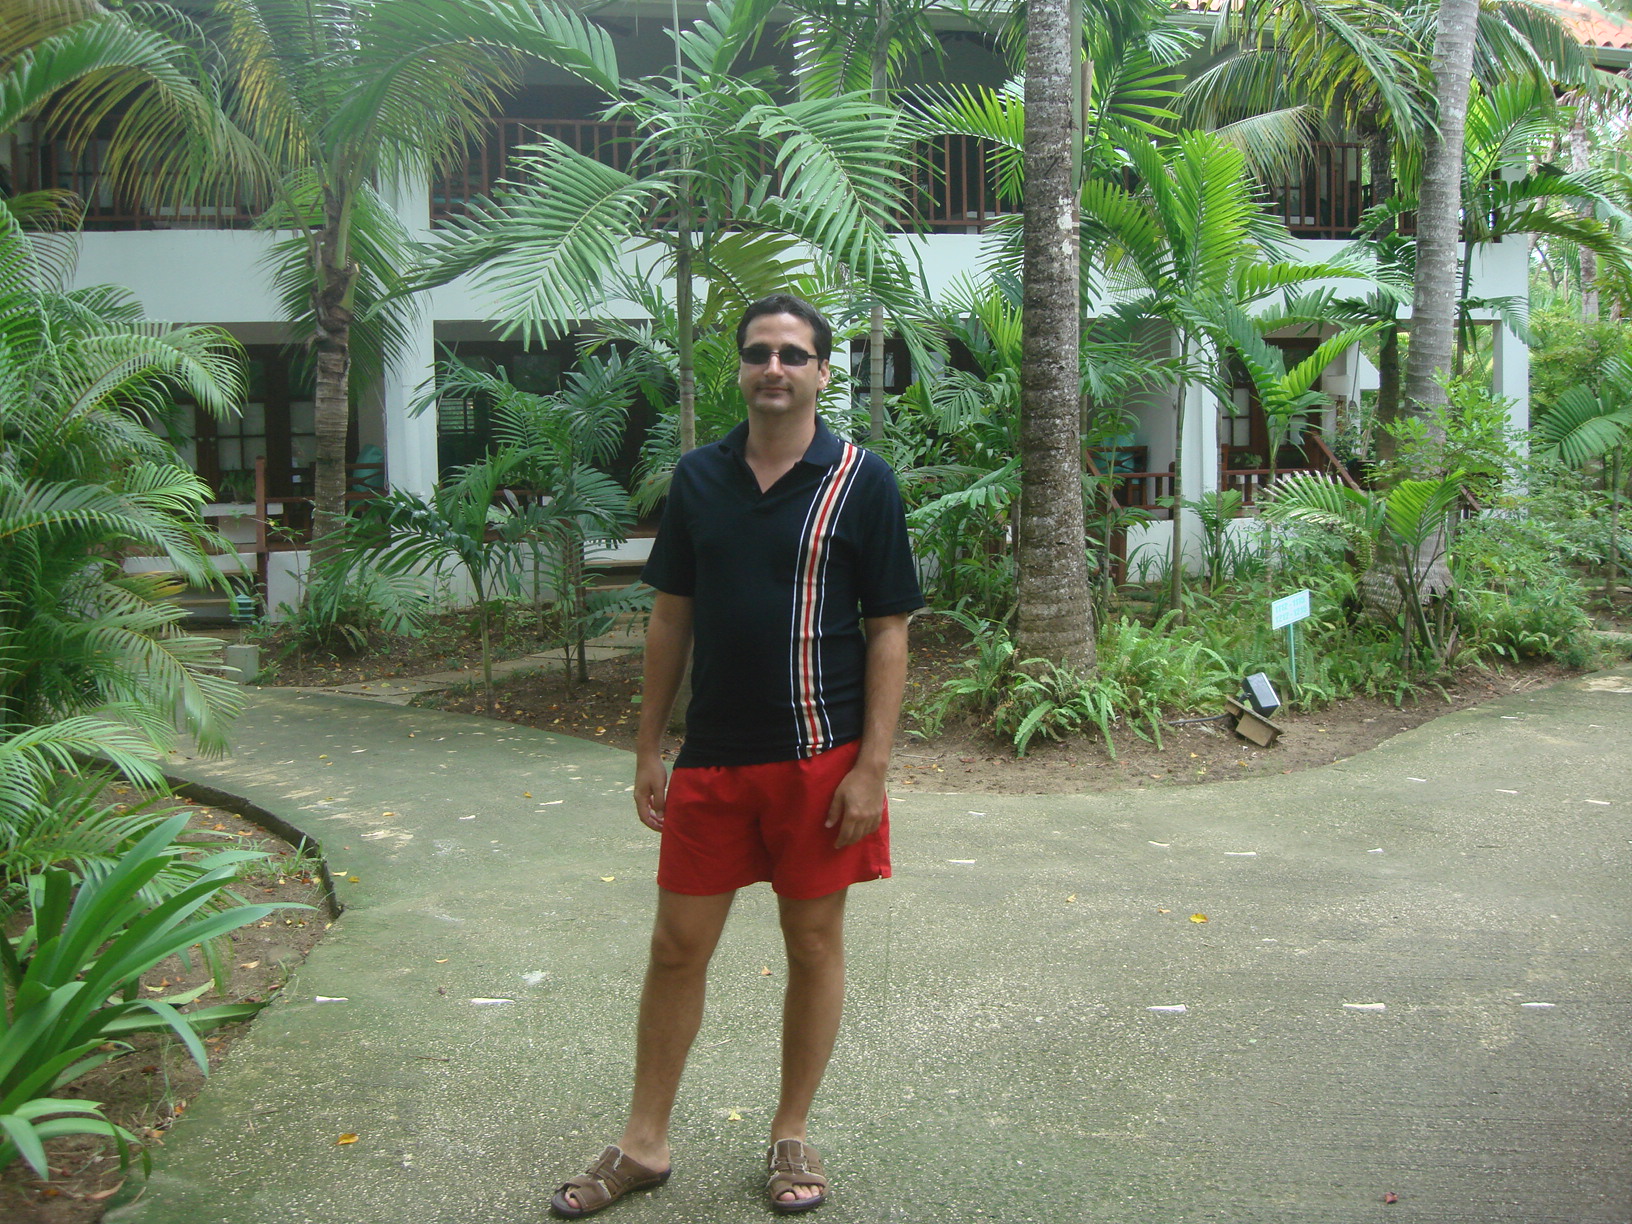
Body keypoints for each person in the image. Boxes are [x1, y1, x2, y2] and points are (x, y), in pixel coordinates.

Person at [550, 294, 923, 1218]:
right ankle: (644, 1142)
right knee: (676, 947)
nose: (774, 368)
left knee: (813, 943)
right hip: (713, 757)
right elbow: (671, 615)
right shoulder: (699, 478)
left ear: (823, 372)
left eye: (793, 354)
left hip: (821, 758)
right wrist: (648, 744)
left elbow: (889, 630)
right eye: (759, 353)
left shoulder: (862, 481)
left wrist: (873, 769)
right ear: (742, 369)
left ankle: (791, 1132)